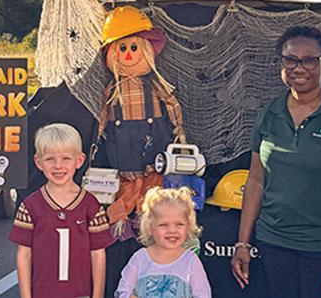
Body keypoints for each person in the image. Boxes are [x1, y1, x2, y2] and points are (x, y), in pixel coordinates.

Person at [230, 26, 321, 298]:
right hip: (272, 242)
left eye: (310, 60)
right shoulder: (269, 113)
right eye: (291, 59)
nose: (300, 67)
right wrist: (242, 243)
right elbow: (256, 181)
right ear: (281, 63)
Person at [11, 123, 113, 298]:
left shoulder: (90, 205)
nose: (58, 166)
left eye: (66, 159)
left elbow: (98, 256)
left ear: (79, 161)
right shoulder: (30, 206)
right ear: (39, 162)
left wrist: (97, 296)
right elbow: (24, 255)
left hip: (81, 293)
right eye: (50, 159)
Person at [116, 187, 211, 298]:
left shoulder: (191, 261)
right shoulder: (139, 258)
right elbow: (123, 291)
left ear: (189, 226)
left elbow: (203, 295)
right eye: (163, 225)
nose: (172, 230)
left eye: (179, 224)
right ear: (149, 227)